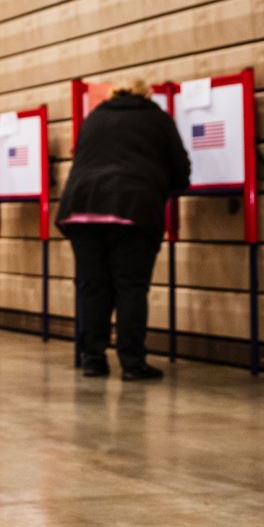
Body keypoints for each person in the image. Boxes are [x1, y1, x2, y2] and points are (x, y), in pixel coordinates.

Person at [59, 79, 191, 381]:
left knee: (93, 286)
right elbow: (181, 170)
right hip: (132, 208)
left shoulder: (95, 116)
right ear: (147, 94)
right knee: (130, 286)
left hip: (82, 208)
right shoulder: (156, 118)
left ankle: (92, 358)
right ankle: (132, 363)